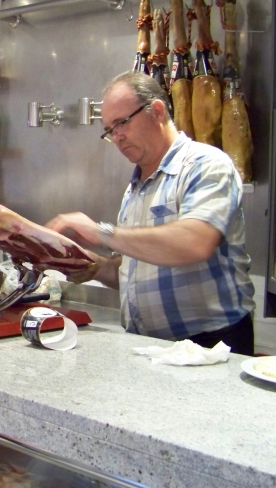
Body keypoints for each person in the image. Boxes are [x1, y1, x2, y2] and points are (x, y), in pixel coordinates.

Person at [47, 72, 256, 356]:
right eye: (110, 130)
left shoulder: (206, 165)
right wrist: (82, 262)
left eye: (122, 123)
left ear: (156, 111)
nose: (117, 137)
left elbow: (196, 242)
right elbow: (132, 271)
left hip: (210, 344)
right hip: (151, 345)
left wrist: (101, 232)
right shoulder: (136, 187)